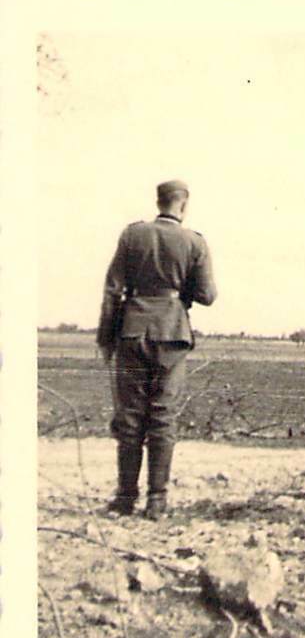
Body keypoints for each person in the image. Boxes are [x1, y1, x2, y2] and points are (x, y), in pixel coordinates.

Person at [97, 179, 217, 520]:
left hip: (132, 332)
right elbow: (208, 295)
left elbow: (112, 290)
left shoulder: (132, 235)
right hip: (172, 333)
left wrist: (106, 338)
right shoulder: (194, 242)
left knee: (130, 417)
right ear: (184, 205)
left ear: (158, 201)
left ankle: (124, 499)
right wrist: (182, 292)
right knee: (162, 416)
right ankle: (157, 502)